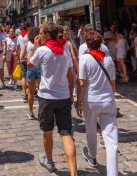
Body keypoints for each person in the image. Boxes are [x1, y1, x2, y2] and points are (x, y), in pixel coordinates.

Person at [27, 23, 77, 175]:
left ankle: (49, 161)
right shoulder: (64, 51)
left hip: (47, 97)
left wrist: (35, 47)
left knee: (47, 132)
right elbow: (71, 76)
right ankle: (73, 172)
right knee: (66, 133)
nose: (40, 36)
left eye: (41, 33)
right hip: (63, 97)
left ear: (47, 35)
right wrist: (69, 95)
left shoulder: (42, 50)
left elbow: (29, 65)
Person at [77, 29, 118, 175]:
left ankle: (92, 157)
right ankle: (112, 173)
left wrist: (78, 102)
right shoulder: (108, 60)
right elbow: (113, 84)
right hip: (107, 100)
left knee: (91, 130)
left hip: (91, 100)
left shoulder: (84, 59)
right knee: (111, 140)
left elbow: (82, 84)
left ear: (87, 43)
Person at [21, 26, 40, 120]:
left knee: (31, 92)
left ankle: (31, 111)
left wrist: (27, 59)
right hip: (40, 67)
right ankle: (42, 110)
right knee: (41, 91)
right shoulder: (42, 44)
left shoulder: (27, 44)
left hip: (31, 67)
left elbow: (21, 57)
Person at [17, 22, 30, 102]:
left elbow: (18, 48)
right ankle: (31, 91)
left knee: (24, 76)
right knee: (31, 75)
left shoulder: (19, 37)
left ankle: (24, 93)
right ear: (28, 27)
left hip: (22, 57)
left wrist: (18, 58)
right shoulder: (29, 35)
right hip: (29, 57)